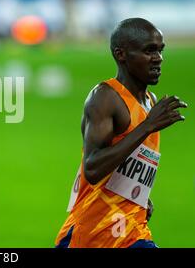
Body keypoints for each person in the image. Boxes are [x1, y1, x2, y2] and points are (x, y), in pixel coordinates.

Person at [55, 18, 187, 248]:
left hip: (131, 230)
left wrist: (139, 197)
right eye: (149, 51)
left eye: (160, 50)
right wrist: (147, 126)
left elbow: (130, 166)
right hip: (93, 232)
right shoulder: (106, 98)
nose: (158, 59)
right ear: (121, 55)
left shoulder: (150, 101)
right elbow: (93, 168)